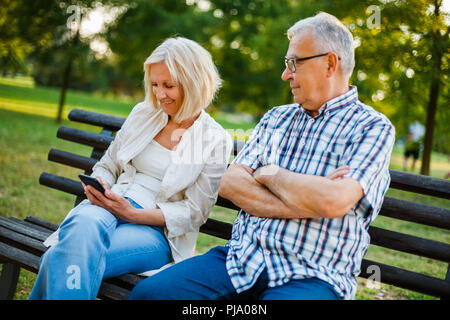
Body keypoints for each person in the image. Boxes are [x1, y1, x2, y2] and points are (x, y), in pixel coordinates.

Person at [128, 12, 395, 301]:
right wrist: (311, 195)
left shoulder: (372, 127)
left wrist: (269, 173)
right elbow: (230, 183)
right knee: (149, 296)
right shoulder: (276, 119)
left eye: (294, 63)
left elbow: (333, 200)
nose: (285, 74)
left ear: (329, 63)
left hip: (313, 275)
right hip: (240, 261)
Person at [29, 37, 232, 300]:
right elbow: (108, 165)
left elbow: (194, 213)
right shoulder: (143, 114)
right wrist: (99, 185)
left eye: (169, 85)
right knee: (82, 227)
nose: (159, 94)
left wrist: (133, 215)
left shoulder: (214, 139)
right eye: (155, 84)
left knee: (61, 257)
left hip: (155, 232)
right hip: (108, 206)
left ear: (194, 83)